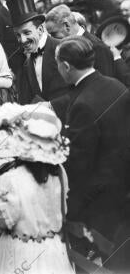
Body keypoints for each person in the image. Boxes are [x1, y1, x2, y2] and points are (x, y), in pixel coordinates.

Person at [55, 36, 130, 271]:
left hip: (97, 202)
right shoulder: (116, 85)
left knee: (90, 262)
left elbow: (78, 164)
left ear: (66, 66)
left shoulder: (82, 105)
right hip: (123, 190)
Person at [0, 104, 75, 274]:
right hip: (53, 248)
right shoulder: (59, 172)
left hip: (21, 251)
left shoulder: (11, 180)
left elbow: (4, 223)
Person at [6, 0, 68, 105]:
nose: (22, 40)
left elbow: (80, 91)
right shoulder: (25, 62)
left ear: (40, 29)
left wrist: (51, 106)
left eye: (27, 33)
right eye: (18, 35)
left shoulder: (64, 48)